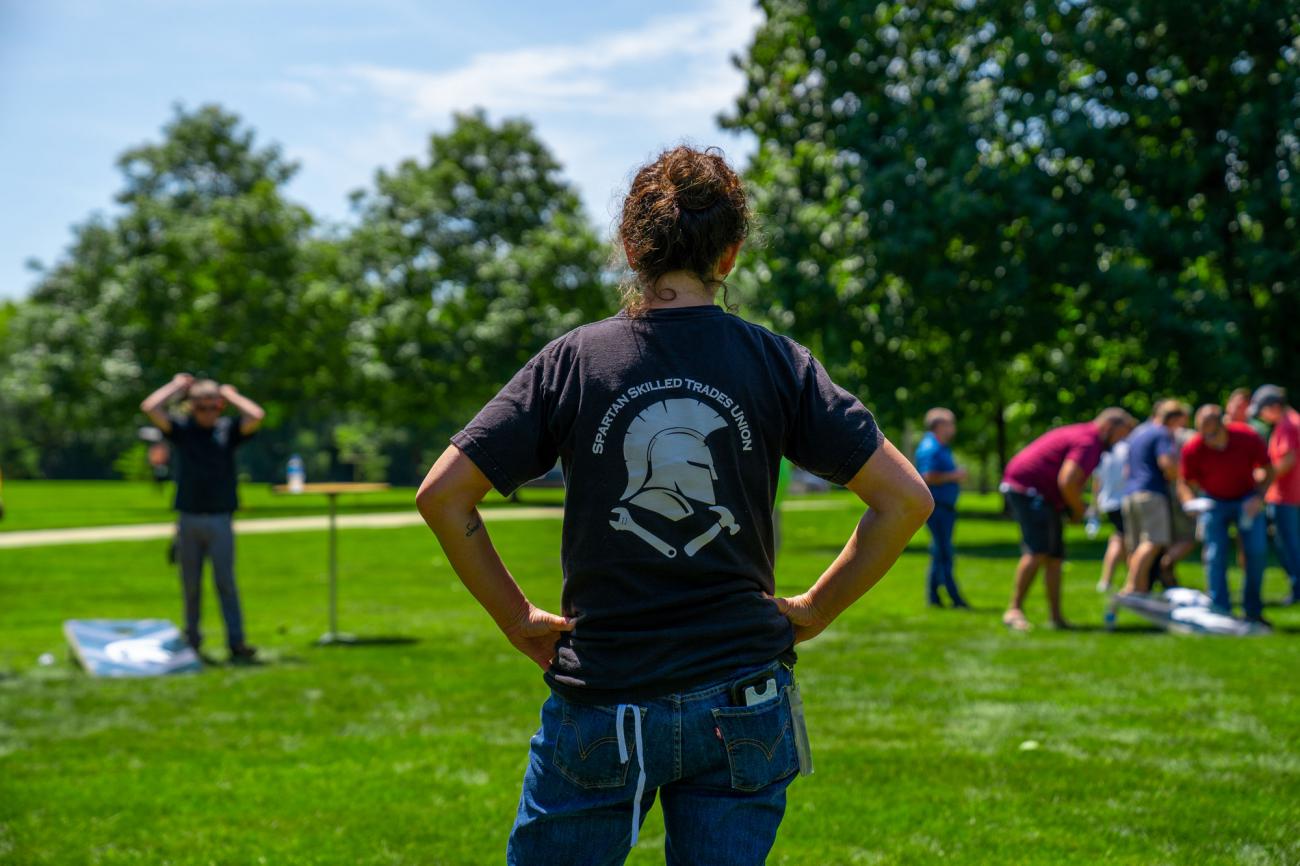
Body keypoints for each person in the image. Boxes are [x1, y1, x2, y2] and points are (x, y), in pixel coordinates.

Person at [415, 146, 934, 865]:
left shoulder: (575, 360)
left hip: (604, 695)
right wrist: (817, 607)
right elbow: (905, 500)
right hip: (744, 698)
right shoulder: (777, 362)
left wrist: (515, 617)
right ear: (731, 253)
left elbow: (443, 496)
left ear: (631, 247)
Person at [140, 374, 264, 662]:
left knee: (226, 583)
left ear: (220, 407)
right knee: (190, 584)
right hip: (189, 517)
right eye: (200, 407)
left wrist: (230, 393)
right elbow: (150, 408)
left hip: (220, 518)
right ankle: (192, 639)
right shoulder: (182, 431)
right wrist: (176, 386)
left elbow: (256, 415)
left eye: (212, 407)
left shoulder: (228, 431)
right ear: (191, 406)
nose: (207, 413)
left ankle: (236, 642)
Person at [1000, 408, 1136, 631]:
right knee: (1037, 551)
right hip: (1029, 490)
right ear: (1110, 426)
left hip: (1043, 495)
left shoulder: (1088, 437)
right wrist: (1078, 510)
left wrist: (1072, 507)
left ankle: (1056, 617)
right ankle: (1013, 610)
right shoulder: (1089, 441)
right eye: (1123, 433)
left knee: (1055, 556)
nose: (1123, 440)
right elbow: (1068, 480)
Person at [1178, 404, 1274, 627]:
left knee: (1256, 553)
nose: (1208, 440)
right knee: (1214, 554)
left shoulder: (1246, 437)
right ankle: (1220, 609)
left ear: (1224, 425)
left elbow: (1268, 469)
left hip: (1247, 498)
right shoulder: (1194, 446)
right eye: (1203, 434)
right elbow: (1184, 481)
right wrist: (1189, 502)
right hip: (1214, 501)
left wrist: (1259, 497)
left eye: (1211, 434)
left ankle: (1253, 611)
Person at [1119, 400, 1188, 594]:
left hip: (1130, 493)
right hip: (1151, 493)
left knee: (1136, 545)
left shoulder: (1137, 433)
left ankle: (1141, 588)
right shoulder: (1161, 433)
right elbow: (1166, 463)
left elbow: (1126, 469)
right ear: (1173, 419)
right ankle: (1132, 586)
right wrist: (1181, 476)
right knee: (1154, 541)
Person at [914, 407, 969, 608]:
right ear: (940, 426)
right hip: (938, 509)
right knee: (944, 553)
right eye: (950, 424)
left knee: (940, 552)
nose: (953, 428)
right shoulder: (931, 448)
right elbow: (927, 476)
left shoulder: (939, 446)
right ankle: (954, 598)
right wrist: (955, 475)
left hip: (944, 508)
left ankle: (935, 597)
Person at [1253, 386, 1300, 605]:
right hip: (1289, 494)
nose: (1261, 416)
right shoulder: (1292, 421)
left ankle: (1297, 588)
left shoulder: (1288, 425)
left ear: (1274, 407)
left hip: (1286, 495)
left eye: (1262, 411)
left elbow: (1288, 460)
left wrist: (1264, 477)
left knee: (1289, 544)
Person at [1090, 434, 1129, 593]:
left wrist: (1095, 504)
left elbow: (1097, 480)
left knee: (1121, 538)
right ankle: (1107, 580)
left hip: (1107, 501)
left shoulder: (1105, 452)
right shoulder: (1128, 449)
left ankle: (1130, 578)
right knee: (1120, 539)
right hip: (1123, 499)